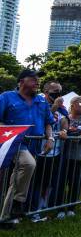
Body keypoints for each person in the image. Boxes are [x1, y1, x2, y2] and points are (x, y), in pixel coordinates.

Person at [0, 69, 55, 228]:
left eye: (38, 79)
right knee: (28, 164)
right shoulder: (6, 97)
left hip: (34, 145)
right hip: (14, 144)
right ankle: (19, 202)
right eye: (33, 79)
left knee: (16, 181)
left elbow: (48, 122)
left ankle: (5, 218)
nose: (37, 82)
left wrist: (50, 137)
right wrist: (13, 133)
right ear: (21, 81)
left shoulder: (41, 101)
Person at [28, 80, 67, 222]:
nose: (58, 94)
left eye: (60, 91)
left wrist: (64, 130)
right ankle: (32, 210)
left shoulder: (62, 108)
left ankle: (43, 207)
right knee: (35, 182)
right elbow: (43, 119)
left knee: (49, 182)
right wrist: (54, 107)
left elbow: (64, 121)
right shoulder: (38, 102)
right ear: (45, 91)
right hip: (37, 150)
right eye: (55, 91)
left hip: (55, 151)